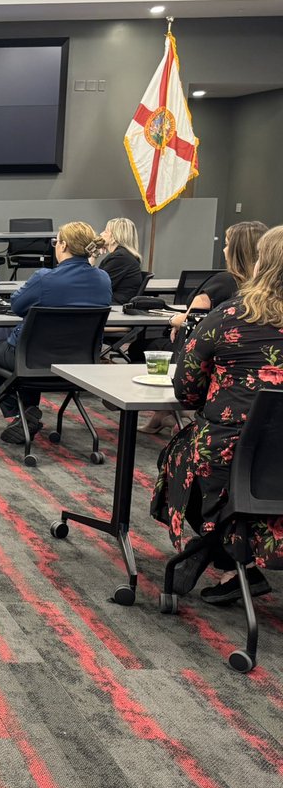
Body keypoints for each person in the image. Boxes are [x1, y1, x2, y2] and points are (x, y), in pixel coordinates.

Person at [150, 224, 283, 603]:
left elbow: (186, 391)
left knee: (178, 460)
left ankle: (227, 560)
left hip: (230, 453)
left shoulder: (229, 316)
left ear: (262, 264)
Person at [0, 221, 112, 445]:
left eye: (55, 242)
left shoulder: (44, 278)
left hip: (33, 358)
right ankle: (27, 412)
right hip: (80, 363)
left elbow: (18, 306)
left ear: (64, 245)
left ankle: (20, 414)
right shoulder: (103, 279)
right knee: (26, 361)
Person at [139, 219, 268, 434]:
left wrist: (172, 321)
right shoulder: (263, 291)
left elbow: (193, 321)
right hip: (249, 382)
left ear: (236, 250)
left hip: (202, 360)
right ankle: (162, 416)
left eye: (227, 244)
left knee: (145, 345)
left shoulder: (224, 281)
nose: (224, 249)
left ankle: (175, 417)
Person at [95, 217, 144, 305]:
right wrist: (94, 255)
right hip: (111, 303)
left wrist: (91, 257)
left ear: (115, 236)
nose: (101, 234)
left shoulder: (120, 257)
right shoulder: (124, 255)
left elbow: (97, 286)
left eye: (106, 231)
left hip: (113, 306)